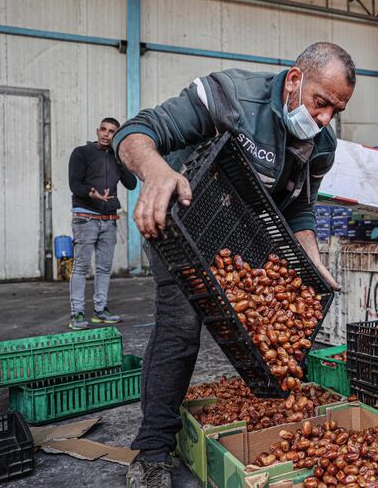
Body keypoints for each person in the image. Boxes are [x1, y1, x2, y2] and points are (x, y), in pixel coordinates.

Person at [113, 42, 354, 488]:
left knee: (275, 322)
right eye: (321, 103)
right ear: (295, 80)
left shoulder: (322, 145)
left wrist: (312, 260)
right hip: (183, 221)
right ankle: (151, 452)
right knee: (182, 323)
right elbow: (136, 132)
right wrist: (157, 172)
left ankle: (270, 412)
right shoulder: (229, 96)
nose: (323, 118)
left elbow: (300, 208)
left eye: (334, 110)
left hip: (242, 235)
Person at [67, 117, 137, 330]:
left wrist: (120, 159)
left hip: (109, 220)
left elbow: (132, 184)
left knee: (104, 268)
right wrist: (92, 193)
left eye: (112, 131)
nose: (107, 134)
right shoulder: (81, 153)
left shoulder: (117, 158)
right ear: (97, 131)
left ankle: (100, 311)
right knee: (80, 267)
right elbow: (74, 184)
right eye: (104, 130)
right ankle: (77, 314)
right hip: (85, 218)